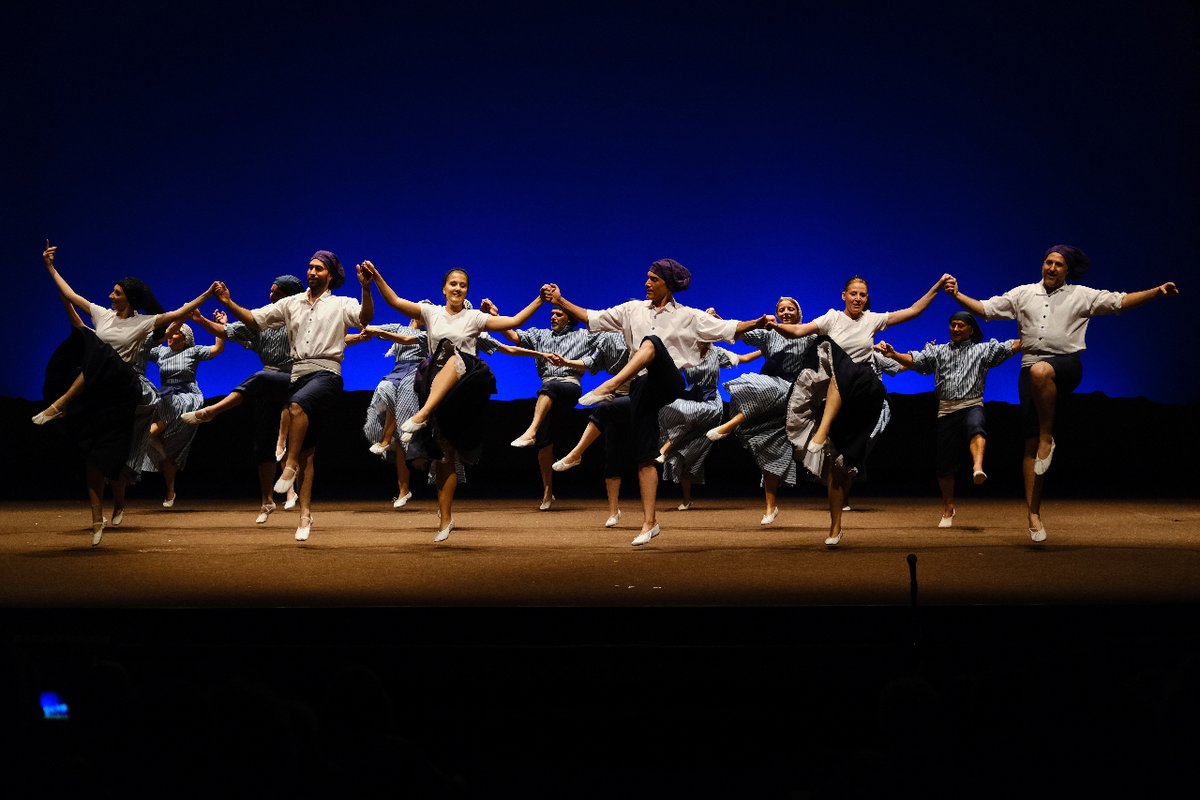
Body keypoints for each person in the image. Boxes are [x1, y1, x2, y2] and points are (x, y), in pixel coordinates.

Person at [946, 245, 1178, 542]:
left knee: (1041, 372)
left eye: (1058, 264)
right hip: (1030, 366)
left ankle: (1047, 437)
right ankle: (1033, 514)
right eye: (1048, 262)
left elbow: (1120, 302)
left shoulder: (1081, 295)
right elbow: (987, 309)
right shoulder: (1023, 293)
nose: (1052, 268)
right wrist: (956, 295)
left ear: (1067, 270)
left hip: (1065, 364)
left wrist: (1156, 291)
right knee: (1029, 441)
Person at [544, 258, 768, 546]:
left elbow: (729, 328)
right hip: (642, 387)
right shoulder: (632, 309)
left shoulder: (688, 316)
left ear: (668, 284)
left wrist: (759, 323)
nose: (647, 283)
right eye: (646, 278)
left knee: (651, 342)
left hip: (669, 380)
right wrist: (560, 299)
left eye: (653, 279)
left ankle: (610, 385)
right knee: (643, 452)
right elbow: (591, 317)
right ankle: (650, 523)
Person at [35, 241, 217, 545]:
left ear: (129, 298)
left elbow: (180, 312)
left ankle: (62, 404)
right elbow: (70, 296)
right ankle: (97, 520)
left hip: (128, 385)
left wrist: (208, 295)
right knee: (96, 460)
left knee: (100, 353)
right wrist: (50, 266)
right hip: (102, 390)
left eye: (117, 292)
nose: (110, 295)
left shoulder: (144, 322)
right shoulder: (102, 315)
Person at [361, 261, 546, 542]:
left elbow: (514, 322)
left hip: (466, 384)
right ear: (444, 289)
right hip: (437, 387)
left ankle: (421, 415)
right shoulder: (431, 312)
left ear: (466, 290)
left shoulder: (474, 318)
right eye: (453, 284)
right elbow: (396, 301)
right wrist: (375, 279)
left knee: (454, 355)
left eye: (463, 285)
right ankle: (445, 518)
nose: (458, 288)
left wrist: (540, 300)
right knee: (445, 455)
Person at [772, 274, 950, 546]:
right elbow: (798, 330)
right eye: (853, 293)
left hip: (865, 389)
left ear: (866, 299)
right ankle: (835, 528)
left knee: (848, 367)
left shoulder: (872, 320)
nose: (857, 298)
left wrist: (937, 287)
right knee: (837, 465)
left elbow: (913, 311)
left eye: (862, 295)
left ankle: (821, 433)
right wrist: (772, 326)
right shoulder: (832, 318)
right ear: (844, 295)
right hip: (838, 392)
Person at [213, 250, 374, 542]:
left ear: (331, 275)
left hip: (327, 373)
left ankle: (289, 465)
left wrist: (366, 288)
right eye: (310, 268)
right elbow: (254, 319)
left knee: (296, 406)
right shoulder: (291, 304)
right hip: (298, 374)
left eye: (318, 269)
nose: (312, 272)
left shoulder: (341, 303)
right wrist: (228, 302)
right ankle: (305, 514)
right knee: (309, 452)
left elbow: (365, 318)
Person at [875, 312, 1018, 528]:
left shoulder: (982, 350)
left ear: (971, 329)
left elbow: (1010, 346)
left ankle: (977, 467)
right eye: (953, 325)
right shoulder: (939, 352)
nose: (956, 329)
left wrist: (1035, 338)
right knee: (944, 463)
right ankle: (948, 507)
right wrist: (894, 354)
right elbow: (916, 360)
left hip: (972, 403)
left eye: (961, 325)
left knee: (976, 426)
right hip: (946, 409)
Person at [183, 275, 306, 523]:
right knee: (263, 446)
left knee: (299, 448)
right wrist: (200, 320)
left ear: (289, 296)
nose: (271, 296)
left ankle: (212, 411)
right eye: (271, 291)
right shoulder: (259, 321)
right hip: (268, 385)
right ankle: (267, 501)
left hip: (296, 380)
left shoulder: (301, 318)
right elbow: (226, 331)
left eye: (276, 293)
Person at [707, 296, 816, 525]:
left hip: (793, 392)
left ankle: (728, 426)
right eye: (781, 309)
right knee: (772, 452)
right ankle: (770, 508)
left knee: (761, 385)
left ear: (799, 313)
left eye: (790, 309)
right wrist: (718, 320)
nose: (786, 312)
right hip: (772, 395)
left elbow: (834, 344)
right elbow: (739, 332)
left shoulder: (808, 335)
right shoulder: (769, 335)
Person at [499, 304, 597, 510]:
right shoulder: (541, 335)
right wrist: (495, 316)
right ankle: (547, 490)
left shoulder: (582, 335)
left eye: (558, 314)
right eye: (552, 314)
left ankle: (530, 431)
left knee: (549, 388)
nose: (553, 317)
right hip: (548, 386)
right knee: (545, 443)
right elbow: (514, 338)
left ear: (569, 319)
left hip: (570, 384)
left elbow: (604, 337)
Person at [548, 331, 632, 527]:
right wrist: (566, 362)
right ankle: (613, 511)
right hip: (617, 396)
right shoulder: (609, 339)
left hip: (640, 395)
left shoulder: (648, 337)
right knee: (612, 453)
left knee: (643, 454)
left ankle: (576, 454)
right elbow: (591, 362)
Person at [347, 317, 430, 510]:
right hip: (398, 370)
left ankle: (389, 441)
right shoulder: (397, 326)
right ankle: (403, 488)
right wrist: (362, 332)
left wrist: (380, 333)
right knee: (385, 389)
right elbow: (371, 327)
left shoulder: (427, 334)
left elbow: (405, 340)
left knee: (403, 421)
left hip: (417, 372)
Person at [140, 317, 225, 507]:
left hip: (187, 397)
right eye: (170, 333)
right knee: (168, 453)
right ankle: (170, 491)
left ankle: (142, 443)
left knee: (150, 432)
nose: (170, 336)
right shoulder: (161, 352)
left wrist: (221, 326)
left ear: (185, 337)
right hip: (166, 397)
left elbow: (218, 349)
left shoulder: (193, 351)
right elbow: (143, 347)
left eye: (176, 333)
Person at [656, 340, 744, 510]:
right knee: (687, 451)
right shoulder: (685, 353)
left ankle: (664, 449)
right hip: (691, 399)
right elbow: (668, 368)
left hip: (710, 403)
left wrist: (765, 350)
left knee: (689, 417)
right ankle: (687, 500)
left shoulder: (717, 353)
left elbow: (743, 358)